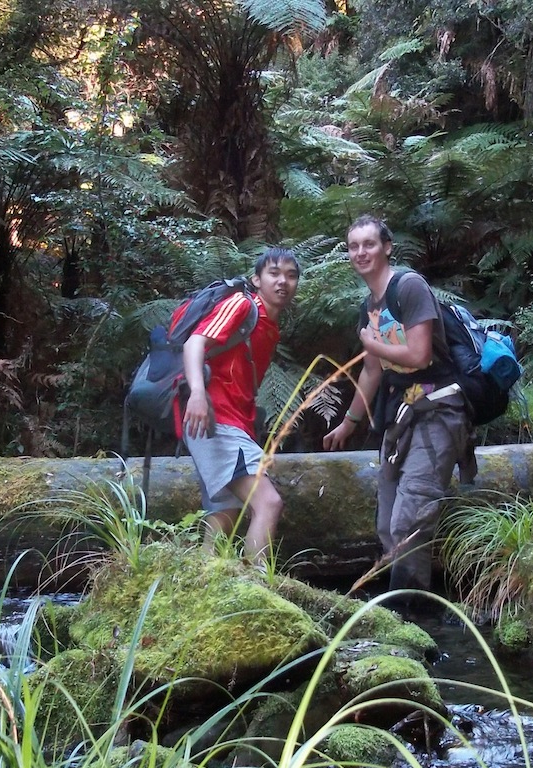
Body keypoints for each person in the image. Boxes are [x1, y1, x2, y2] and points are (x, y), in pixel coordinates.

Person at [322, 215, 470, 598]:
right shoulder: (368, 307)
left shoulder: (409, 286)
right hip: (400, 415)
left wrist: (371, 344)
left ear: (387, 247)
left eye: (369, 244)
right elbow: (372, 371)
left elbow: (419, 355)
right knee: (387, 526)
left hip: (438, 410)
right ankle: (407, 605)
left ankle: (409, 612)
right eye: (353, 246)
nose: (361, 252)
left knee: (409, 522)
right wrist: (348, 423)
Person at [179, 248, 301, 560]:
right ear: (256, 279)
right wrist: (197, 393)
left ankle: (205, 580)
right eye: (274, 273)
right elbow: (194, 342)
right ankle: (255, 582)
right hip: (214, 419)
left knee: (224, 515)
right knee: (268, 503)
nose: (283, 281)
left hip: (231, 422)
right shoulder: (242, 305)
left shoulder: (269, 326)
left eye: (291, 275)